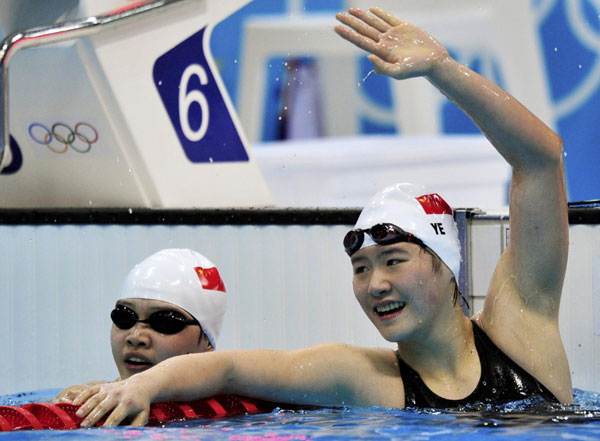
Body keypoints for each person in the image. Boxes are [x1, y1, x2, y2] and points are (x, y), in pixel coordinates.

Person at [69, 7, 571, 427]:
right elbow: (231, 369)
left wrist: (442, 69)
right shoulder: (366, 378)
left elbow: (541, 159)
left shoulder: (521, 325)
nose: (375, 284)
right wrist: (140, 386)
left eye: (393, 260)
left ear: (446, 264)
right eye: (361, 268)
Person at [54, 248, 227, 402]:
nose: (136, 337)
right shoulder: (85, 399)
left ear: (207, 341)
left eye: (164, 322)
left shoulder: (230, 412)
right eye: (124, 317)